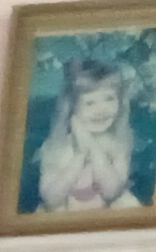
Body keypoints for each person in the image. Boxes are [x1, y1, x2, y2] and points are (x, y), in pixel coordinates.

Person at [24, 50, 149, 215]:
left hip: (109, 208)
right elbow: (51, 200)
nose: (101, 110)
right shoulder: (56, 144)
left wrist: (91, 145)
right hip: (66, 207)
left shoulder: (120, 140)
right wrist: (80, 155)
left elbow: (111, 192)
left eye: (109, 99)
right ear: (71, 107)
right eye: (90, 103)